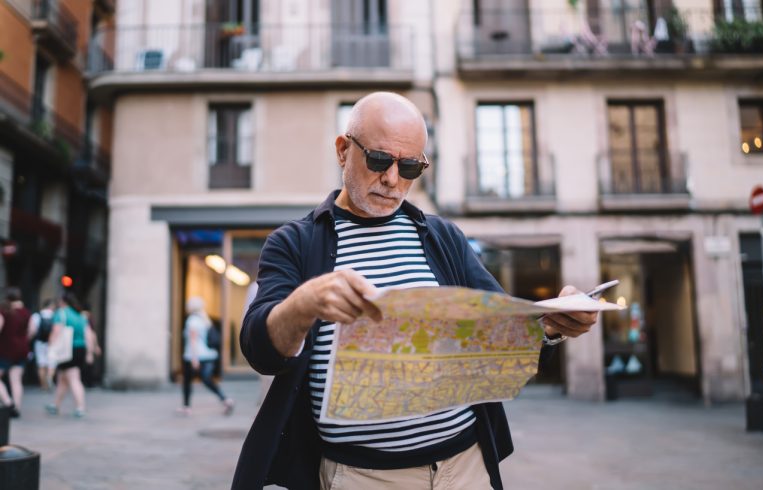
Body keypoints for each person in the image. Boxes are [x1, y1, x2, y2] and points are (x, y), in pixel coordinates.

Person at [232, 92, 599, 489]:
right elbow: (259, 349)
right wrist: (303, 305)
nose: (392, 179)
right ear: (342, 150)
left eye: (409, 167)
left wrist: (551, 324)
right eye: (378, 160)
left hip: (465, 467)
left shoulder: (442, 236)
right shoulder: (294, 243)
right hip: (361, 476)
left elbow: (501, 331)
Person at [178, 296, 234, 416]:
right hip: (209, 355)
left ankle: (186, 407)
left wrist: (194, 359)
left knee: (187, 381)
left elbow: (193, 341)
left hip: (193, 356)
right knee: (207, 380)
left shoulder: (191, 320)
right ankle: (225, 400)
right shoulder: (205, 319)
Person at [46, 293, 89, 418]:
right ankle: (56, 404)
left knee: (73, 378)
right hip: (80, 348)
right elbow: (87, 334)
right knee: (63, 378)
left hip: (67, 349)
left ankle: (80, 407)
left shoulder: (62, 313)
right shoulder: (80, 315)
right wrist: (90, 351)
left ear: (63, 302)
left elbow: (56, 331)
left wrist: (51, 346)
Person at [0, 288, 33, 418]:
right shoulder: (26, 313)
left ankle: (8, 402)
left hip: (5, 349)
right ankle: (17, 407)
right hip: (22, 350)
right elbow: (31, 331)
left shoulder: (4, 311)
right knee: (16, 379)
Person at [30, 299, 57, 390]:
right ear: (52, 306)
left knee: (41, 364)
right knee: (51, 363)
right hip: (52, 343)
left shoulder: (37, 316)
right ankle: (49, 377)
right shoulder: (55, 316)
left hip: (40, 343)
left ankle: (44, 385)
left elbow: (32, 330)